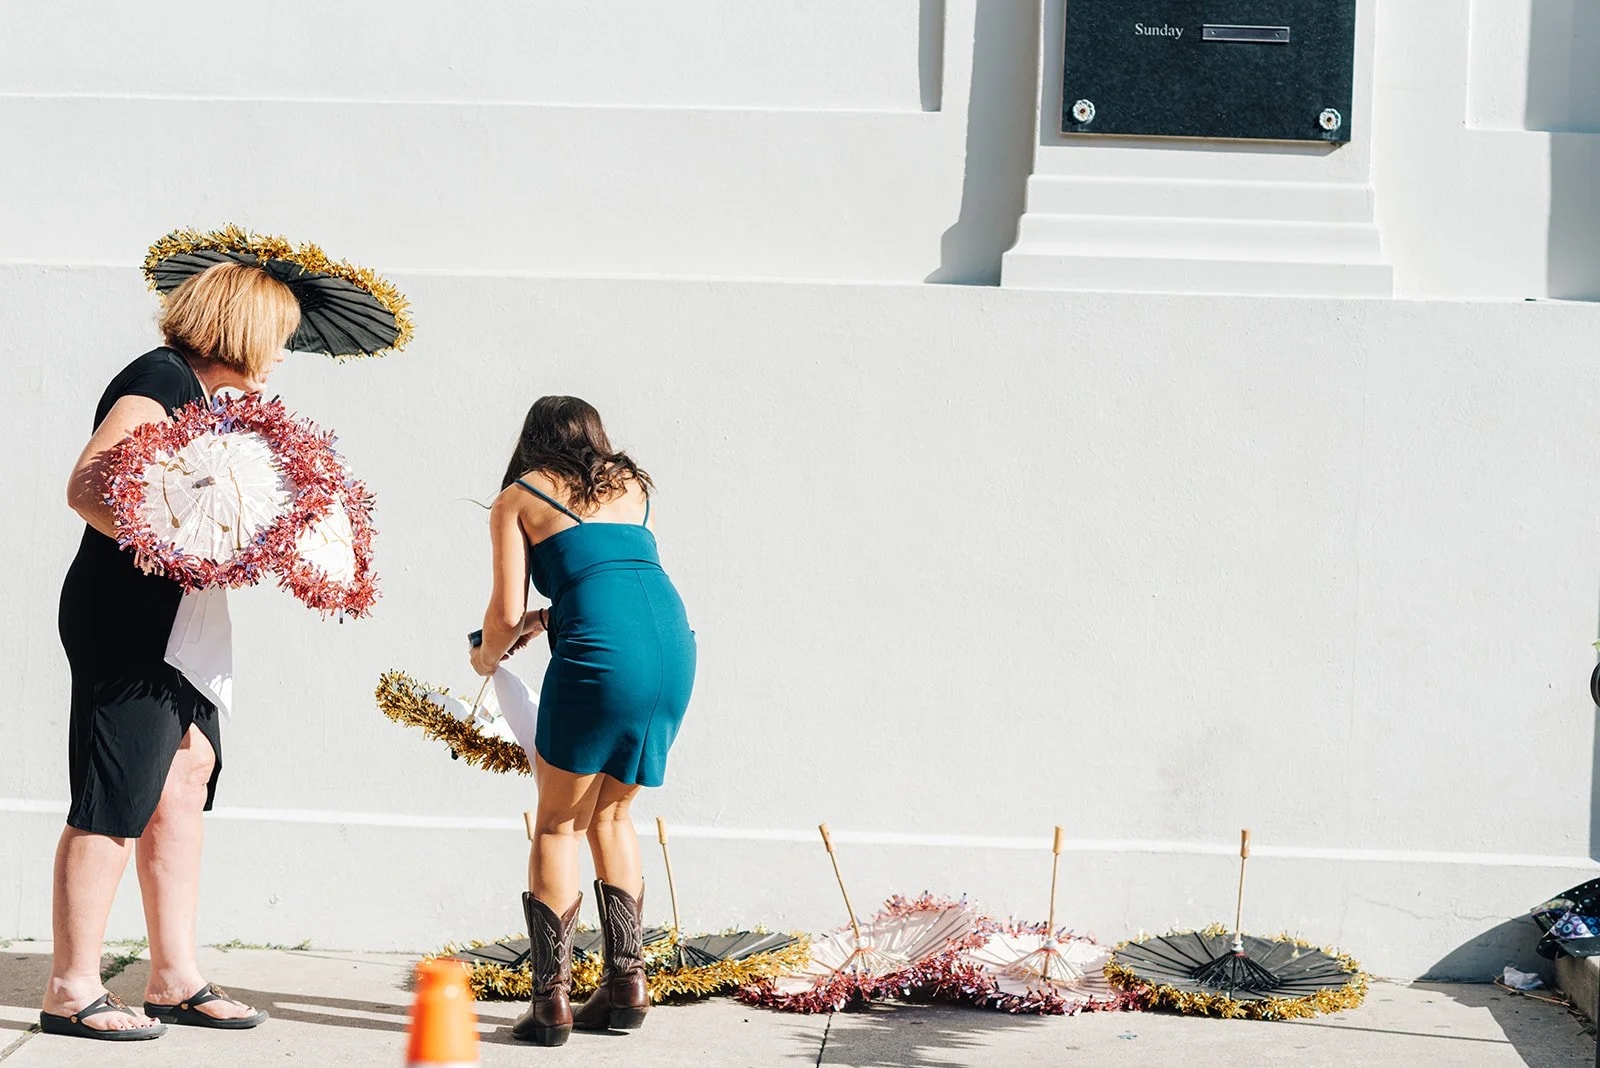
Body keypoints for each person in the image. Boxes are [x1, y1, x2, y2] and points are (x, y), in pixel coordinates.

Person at [41, 262, 298, 1041]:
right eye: (280, 335)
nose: (283, 351)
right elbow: (88, 487)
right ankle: (71, 988)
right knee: (116, 798)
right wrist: (190, 549)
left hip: (180, 626)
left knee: (185, 778)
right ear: (244, 327)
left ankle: (174, 978)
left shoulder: (203, 395)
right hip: (129, 622)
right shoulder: (159, 380)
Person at [471, 396, 696, 1046]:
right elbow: (613, 574)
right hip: (670, 649)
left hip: (602, 656)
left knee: (555, 824)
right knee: (613, 814)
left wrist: (488, 654)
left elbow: (504, 614)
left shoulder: (519, 496)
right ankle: (627, 987)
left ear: (532, 439)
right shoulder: (632, 484)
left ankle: (552, 1005)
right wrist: (551, 620)